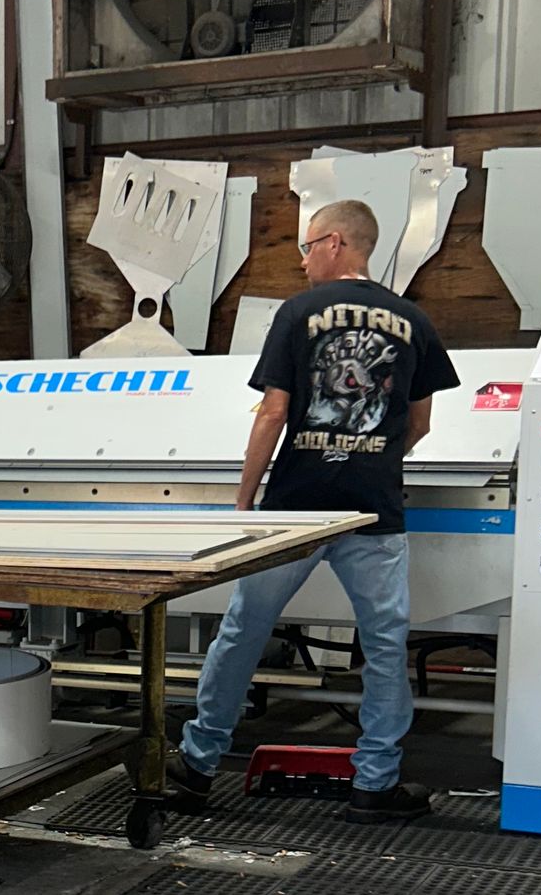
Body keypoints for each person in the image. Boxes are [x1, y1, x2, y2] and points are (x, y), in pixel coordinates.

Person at [171, 197, 460, 819]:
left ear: (334, 242)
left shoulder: (298, 313)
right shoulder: (415, 319)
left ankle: (195, 767)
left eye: (306, 247)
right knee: (385, 645)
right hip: (372, 511)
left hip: (295, 508)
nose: (302, 262)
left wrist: (245, 501)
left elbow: (273, 413)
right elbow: (420, 423)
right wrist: (371, 458)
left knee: (244, 630)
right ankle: (374, 785)